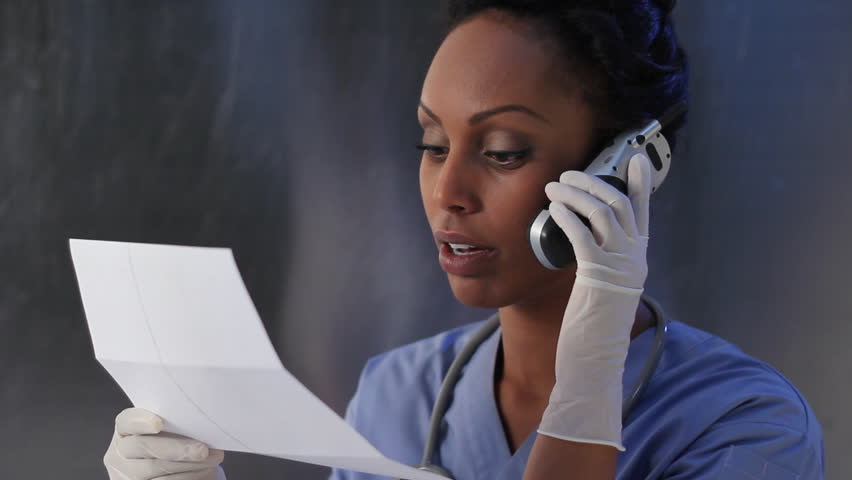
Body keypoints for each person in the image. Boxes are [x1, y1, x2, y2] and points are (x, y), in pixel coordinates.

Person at [102, 1, 825, 479]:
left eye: (505, 150)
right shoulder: (395, 398)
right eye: (432, 142)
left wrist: (586, 391)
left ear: (623, 169)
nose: (448, 192)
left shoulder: (746, 426)